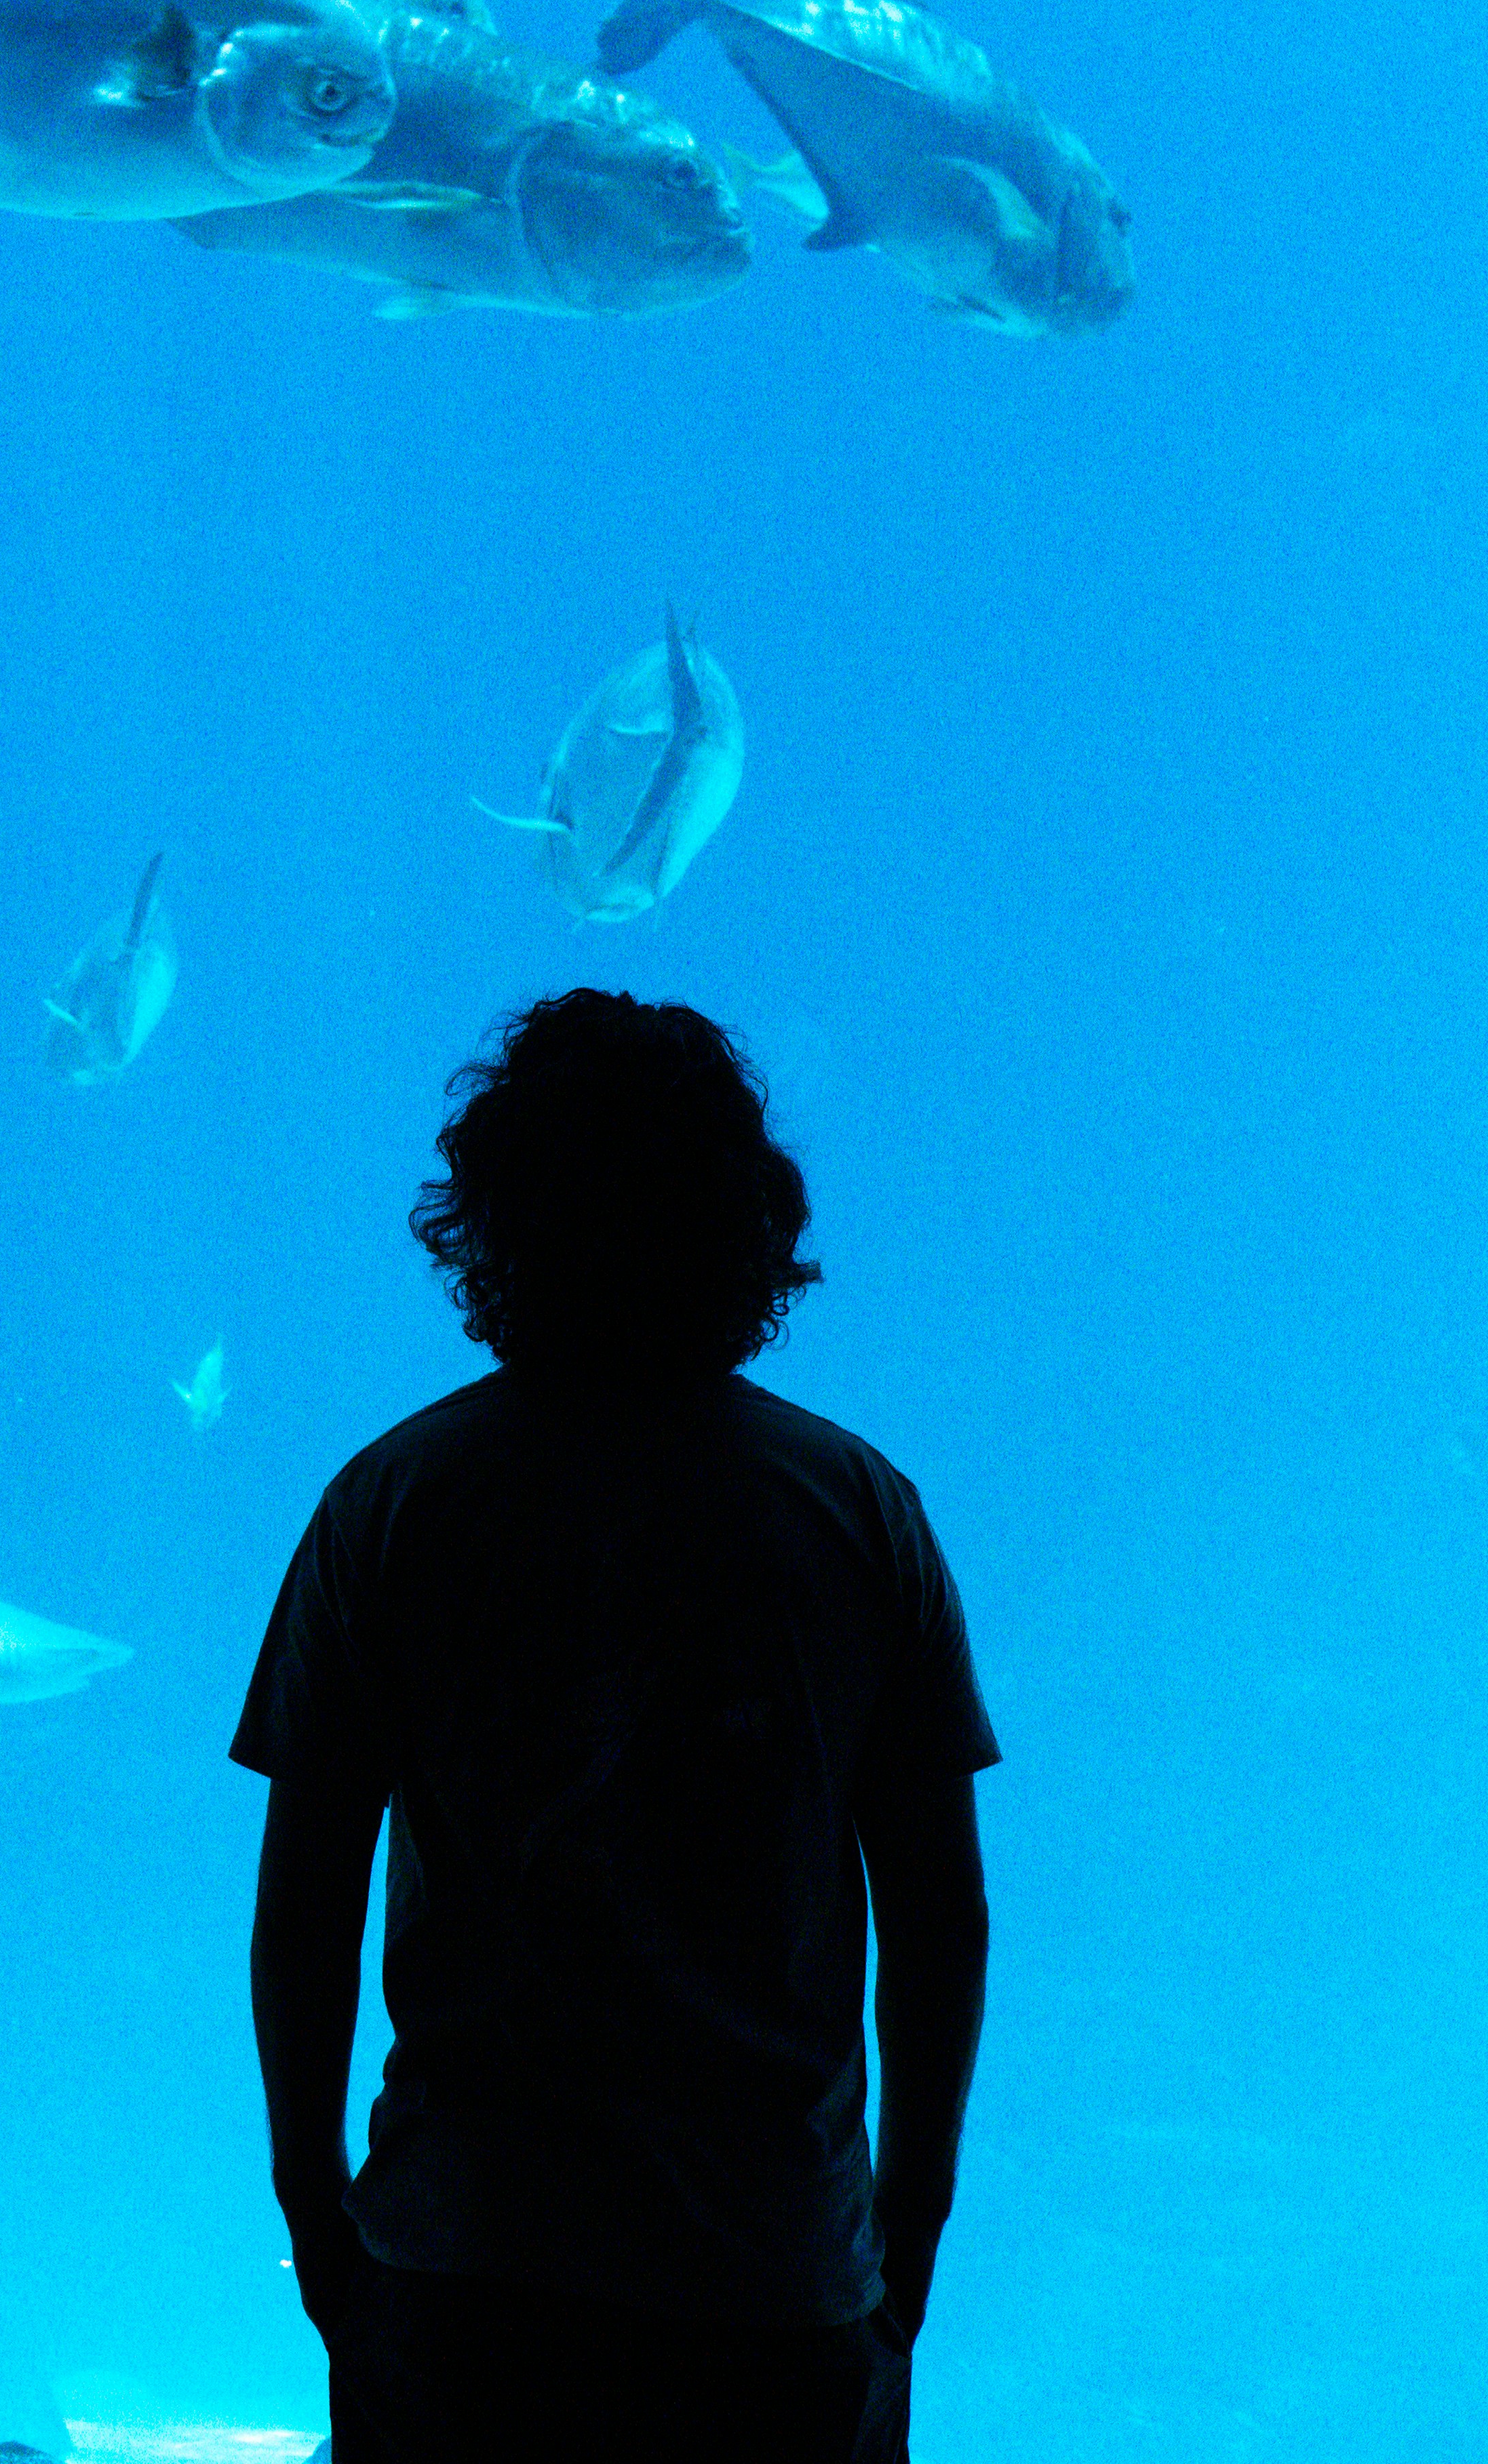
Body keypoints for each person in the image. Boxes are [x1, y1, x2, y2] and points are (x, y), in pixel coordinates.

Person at [233, 991, 996, 2461]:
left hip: (463, 2269)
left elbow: (305, 1899)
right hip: (773, 2283)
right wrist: (907, 2231)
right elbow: (940, 1914)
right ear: (747, 1221)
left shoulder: (395, 1505)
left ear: (495, 1219)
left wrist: (315, 2209)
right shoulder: (853, 1515)